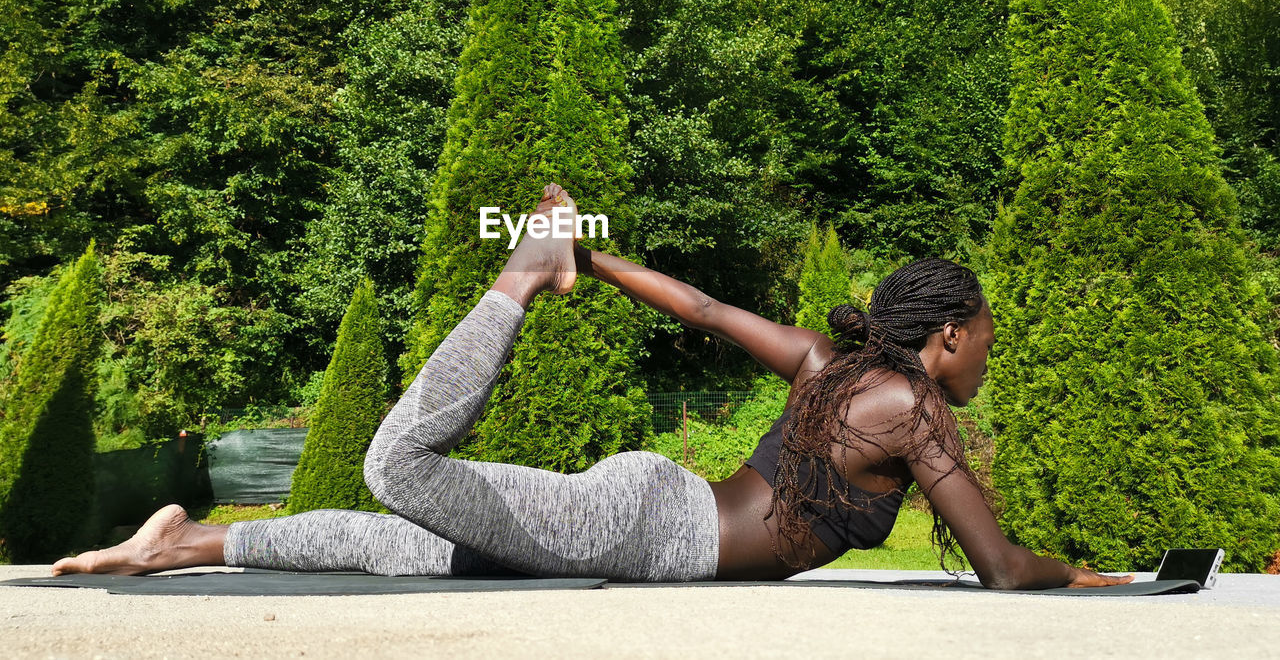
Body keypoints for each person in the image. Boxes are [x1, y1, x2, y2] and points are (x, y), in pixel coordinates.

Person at [52, 183, 1133, 589]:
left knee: (418, 545)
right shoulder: (909, 407)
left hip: (646, 507)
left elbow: (702, 308)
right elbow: (995, 565)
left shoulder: (831, 363)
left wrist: (596, 253)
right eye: (984, 333)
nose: (989, 349)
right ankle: (515, 282)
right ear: (946, 334)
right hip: (651, 531)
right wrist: (1076, 572)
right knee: (395, 466)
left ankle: (184, 541)